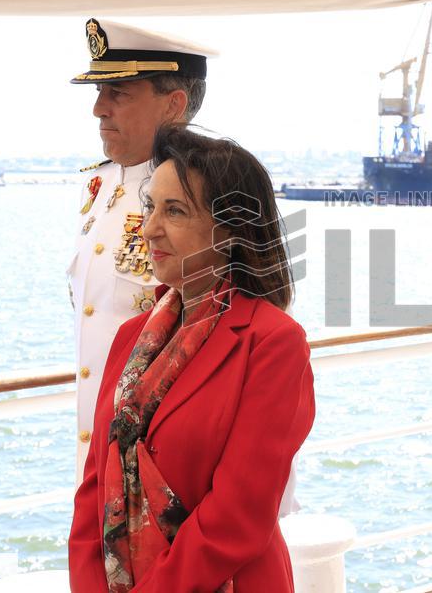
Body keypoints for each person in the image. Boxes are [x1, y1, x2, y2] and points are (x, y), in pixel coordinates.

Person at [69, 127, 315, 592]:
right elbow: (93, 491)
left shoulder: (273, 342)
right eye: (150, 207)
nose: (150, 228)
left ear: (229, 229)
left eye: (175, 211)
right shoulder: (130, 338)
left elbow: (237, 518)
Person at [68, 18, 215, 482]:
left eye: (118, 93)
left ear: (174, 104)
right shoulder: (101, 184)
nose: (98, 109)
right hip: (101, 454)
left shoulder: (211, 194)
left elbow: (241, 336)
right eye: (99, 93)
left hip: (168, 466)